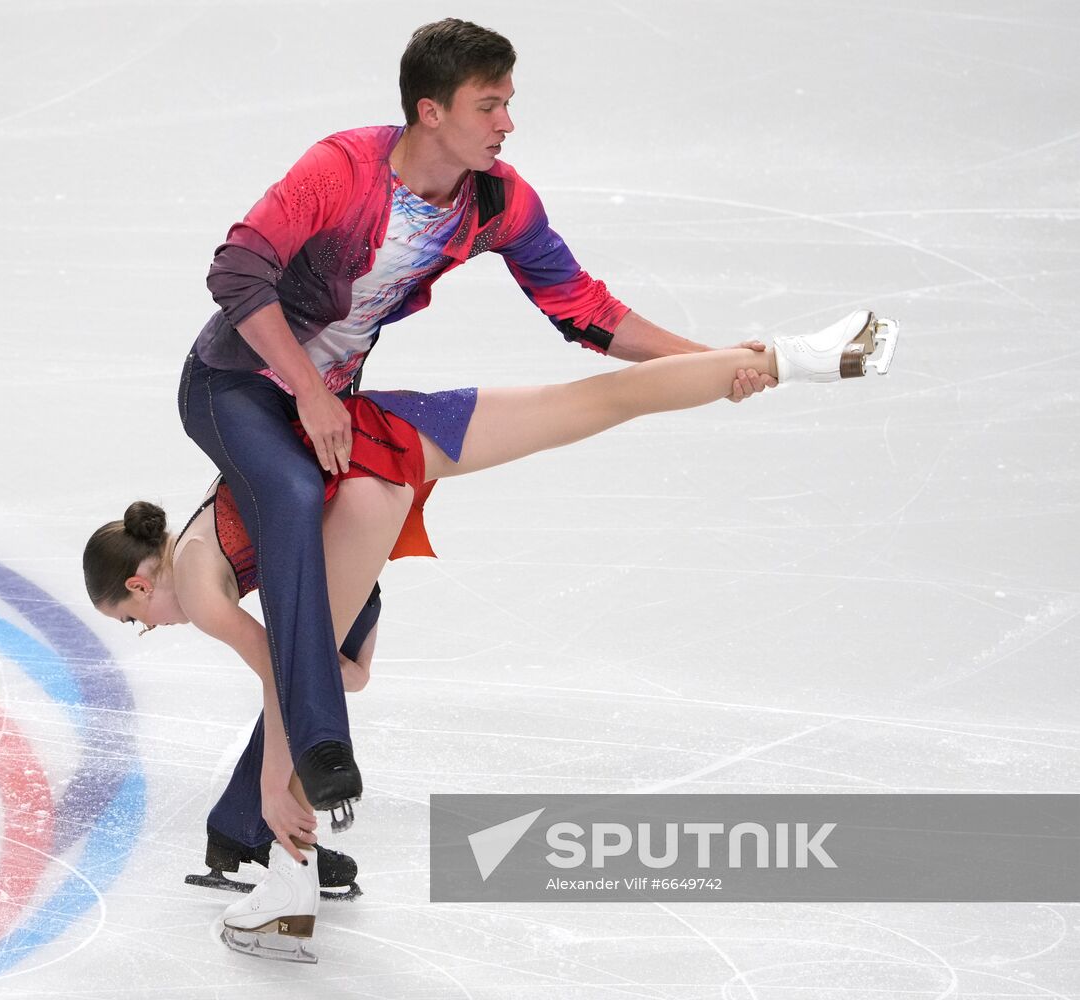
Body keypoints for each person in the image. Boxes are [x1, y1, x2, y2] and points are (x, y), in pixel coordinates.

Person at [89, 309, 900, 962]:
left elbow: (290, 677)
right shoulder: (205, 505)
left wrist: (289, 764)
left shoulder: (201, 591)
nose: (148, 629)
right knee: (592, 400)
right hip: (383, 432)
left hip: (363, 494)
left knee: (303, 714)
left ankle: (286, 889)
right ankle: (791, 358)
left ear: (139, 585)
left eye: (133, 623)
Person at [177, 17, 778, 852]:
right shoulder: (341, 168)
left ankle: (243, 823)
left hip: (330, 402)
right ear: (430, 111)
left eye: (507, 103)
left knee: (345, 576)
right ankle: (319, 745)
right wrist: (310, 392)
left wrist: (712, 363)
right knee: (289, 493)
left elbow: (582, 308)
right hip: (235, 385)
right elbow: (236, 271)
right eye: (488, 106)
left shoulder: (495, 200)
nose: (506, 123)